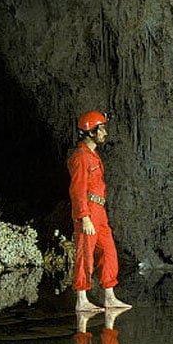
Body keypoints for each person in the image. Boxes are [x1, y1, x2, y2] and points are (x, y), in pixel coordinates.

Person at [68, 110, 131, 311]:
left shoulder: (93, 156)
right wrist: (84, 217)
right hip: (88, 210)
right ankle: (81, 299)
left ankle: (109, 296)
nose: (105, 133)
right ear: (91, 132)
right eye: (101, 129)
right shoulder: (80, 157)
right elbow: (77, 190)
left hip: (99, 210)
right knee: (85, 254)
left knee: (108, 251)